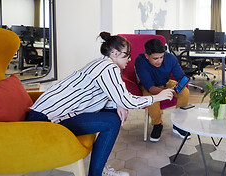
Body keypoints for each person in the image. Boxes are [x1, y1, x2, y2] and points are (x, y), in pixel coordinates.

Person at [26, 32, 174, 176]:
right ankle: (96, 173)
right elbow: (128, 100)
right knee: (111, 122)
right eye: (127, 55)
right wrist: (157, 97)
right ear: (115, 53)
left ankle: (99, 169)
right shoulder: (108, 68)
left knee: (113, 114)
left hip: (52, 113)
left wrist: (118, 105)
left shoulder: (101, 63)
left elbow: (107, 96)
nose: (129, 59)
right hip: (45, 119)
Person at [135, 38, 190, 142]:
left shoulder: (170, 58)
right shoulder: (140, 61)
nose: (159, 61)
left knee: (185, 92)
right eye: (155, 58)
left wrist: (179, 84)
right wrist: (167, 93)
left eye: (161, 57)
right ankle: (157, 125)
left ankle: (178, 124)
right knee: (151, 98)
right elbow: (150, 87)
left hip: (165, 83)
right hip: (149, 86)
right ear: (147, 56)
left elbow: (181, 77)